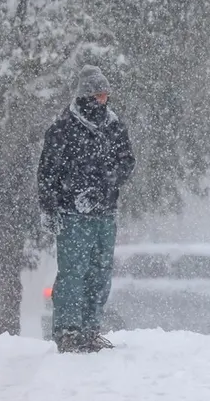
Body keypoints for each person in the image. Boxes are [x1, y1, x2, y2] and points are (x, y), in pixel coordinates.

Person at [37, 65, 136, 353]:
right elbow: (48, 172)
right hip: (72, 215)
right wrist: (50, 207)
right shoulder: (62, 128)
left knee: (100, 272)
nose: (103, 100)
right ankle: (68, 331)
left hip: (105, 213)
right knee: (73, 272)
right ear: (86, 96)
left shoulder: (114, 126)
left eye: (106, 95)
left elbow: (127, 162)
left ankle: (90, 330)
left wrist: (103, 188)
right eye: (99, 95)